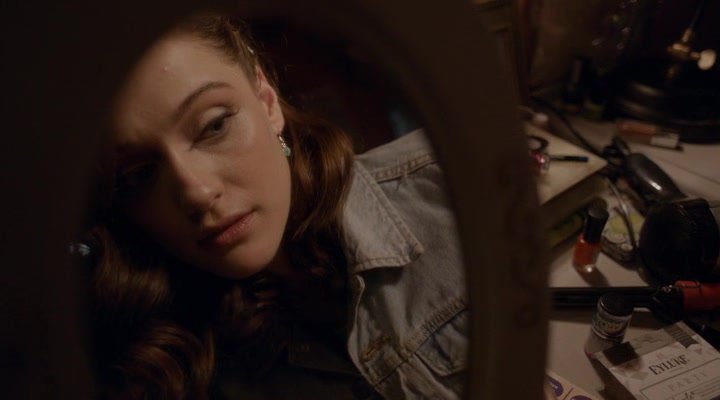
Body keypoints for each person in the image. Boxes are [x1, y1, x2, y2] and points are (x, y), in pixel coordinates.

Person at [84, 13, 468, 399]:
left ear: (266, 100)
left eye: (214, 126)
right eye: (140, 174)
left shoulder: (451, 191)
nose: (197, 192)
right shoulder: (162, 364)